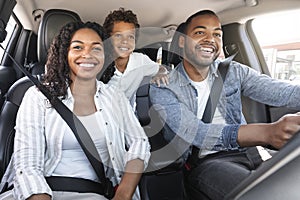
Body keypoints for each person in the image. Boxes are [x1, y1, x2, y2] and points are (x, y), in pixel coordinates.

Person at [149, 9, 300, 200]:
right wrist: (267, 133)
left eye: (217, 34)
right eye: (200, 32)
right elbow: (198, 133)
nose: (210, 39)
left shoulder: (232, 71)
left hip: (251, 151)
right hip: (207, 162)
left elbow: (283, 92)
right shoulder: (163, 87)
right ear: (181, 41)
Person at [0, 21, 150, 200]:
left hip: (93, 193)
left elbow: (139, 143)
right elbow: (27, 161)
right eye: (78, 47)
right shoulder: (38, 95)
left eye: (96, 48)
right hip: (35, 190)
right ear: (65, 53)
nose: (87, 54)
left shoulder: (115, 97)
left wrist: (124, 193)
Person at [101, 7, 169, 108]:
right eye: (118, 35)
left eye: (130, 37)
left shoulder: (140, 60)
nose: (125, 41)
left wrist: (160, 73)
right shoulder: (100, 63)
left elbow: (161, 68)